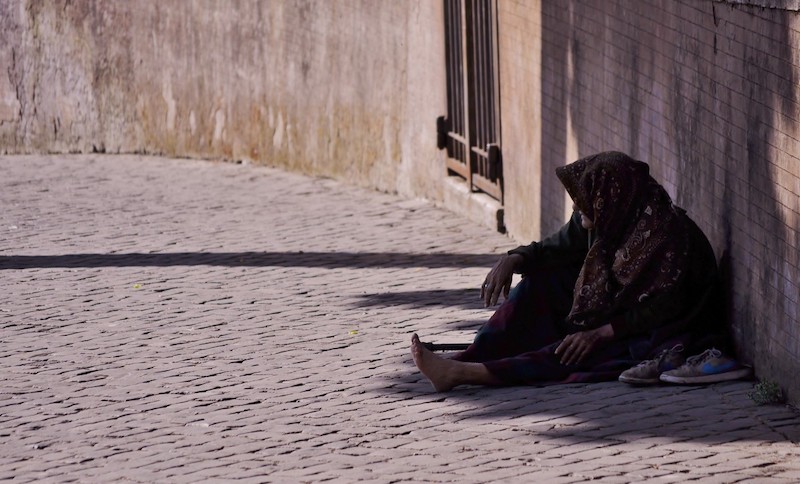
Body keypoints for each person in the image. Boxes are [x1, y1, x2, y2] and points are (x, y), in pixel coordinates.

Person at [411, 151, 735, 392]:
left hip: (664, 327)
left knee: (576, 351)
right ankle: (472, 355)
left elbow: (664, 308)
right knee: (541, 283)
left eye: (584, 200)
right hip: (621, 307)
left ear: (608, 197)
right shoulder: (611, 214)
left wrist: (601, 332)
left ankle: (463, 374)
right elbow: (558, 246)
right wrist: (514, 258)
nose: (578, 209)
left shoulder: (667, 238)